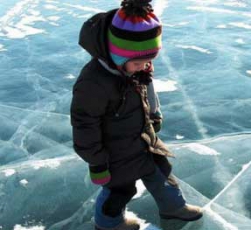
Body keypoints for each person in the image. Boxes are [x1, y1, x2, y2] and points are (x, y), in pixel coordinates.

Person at [70, 0, 203, 229]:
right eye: (138, 62)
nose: (144, 66)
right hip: (115, 153)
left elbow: (148, 91)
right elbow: (84, 125)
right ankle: (108, 224)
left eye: (148, 61)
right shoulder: (93, 83)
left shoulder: (136, 68)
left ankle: (173, 208)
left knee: (162, 173)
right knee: (120, 190)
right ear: (117, 56)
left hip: (143, 140)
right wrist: (97, 163)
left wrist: (154, 115)